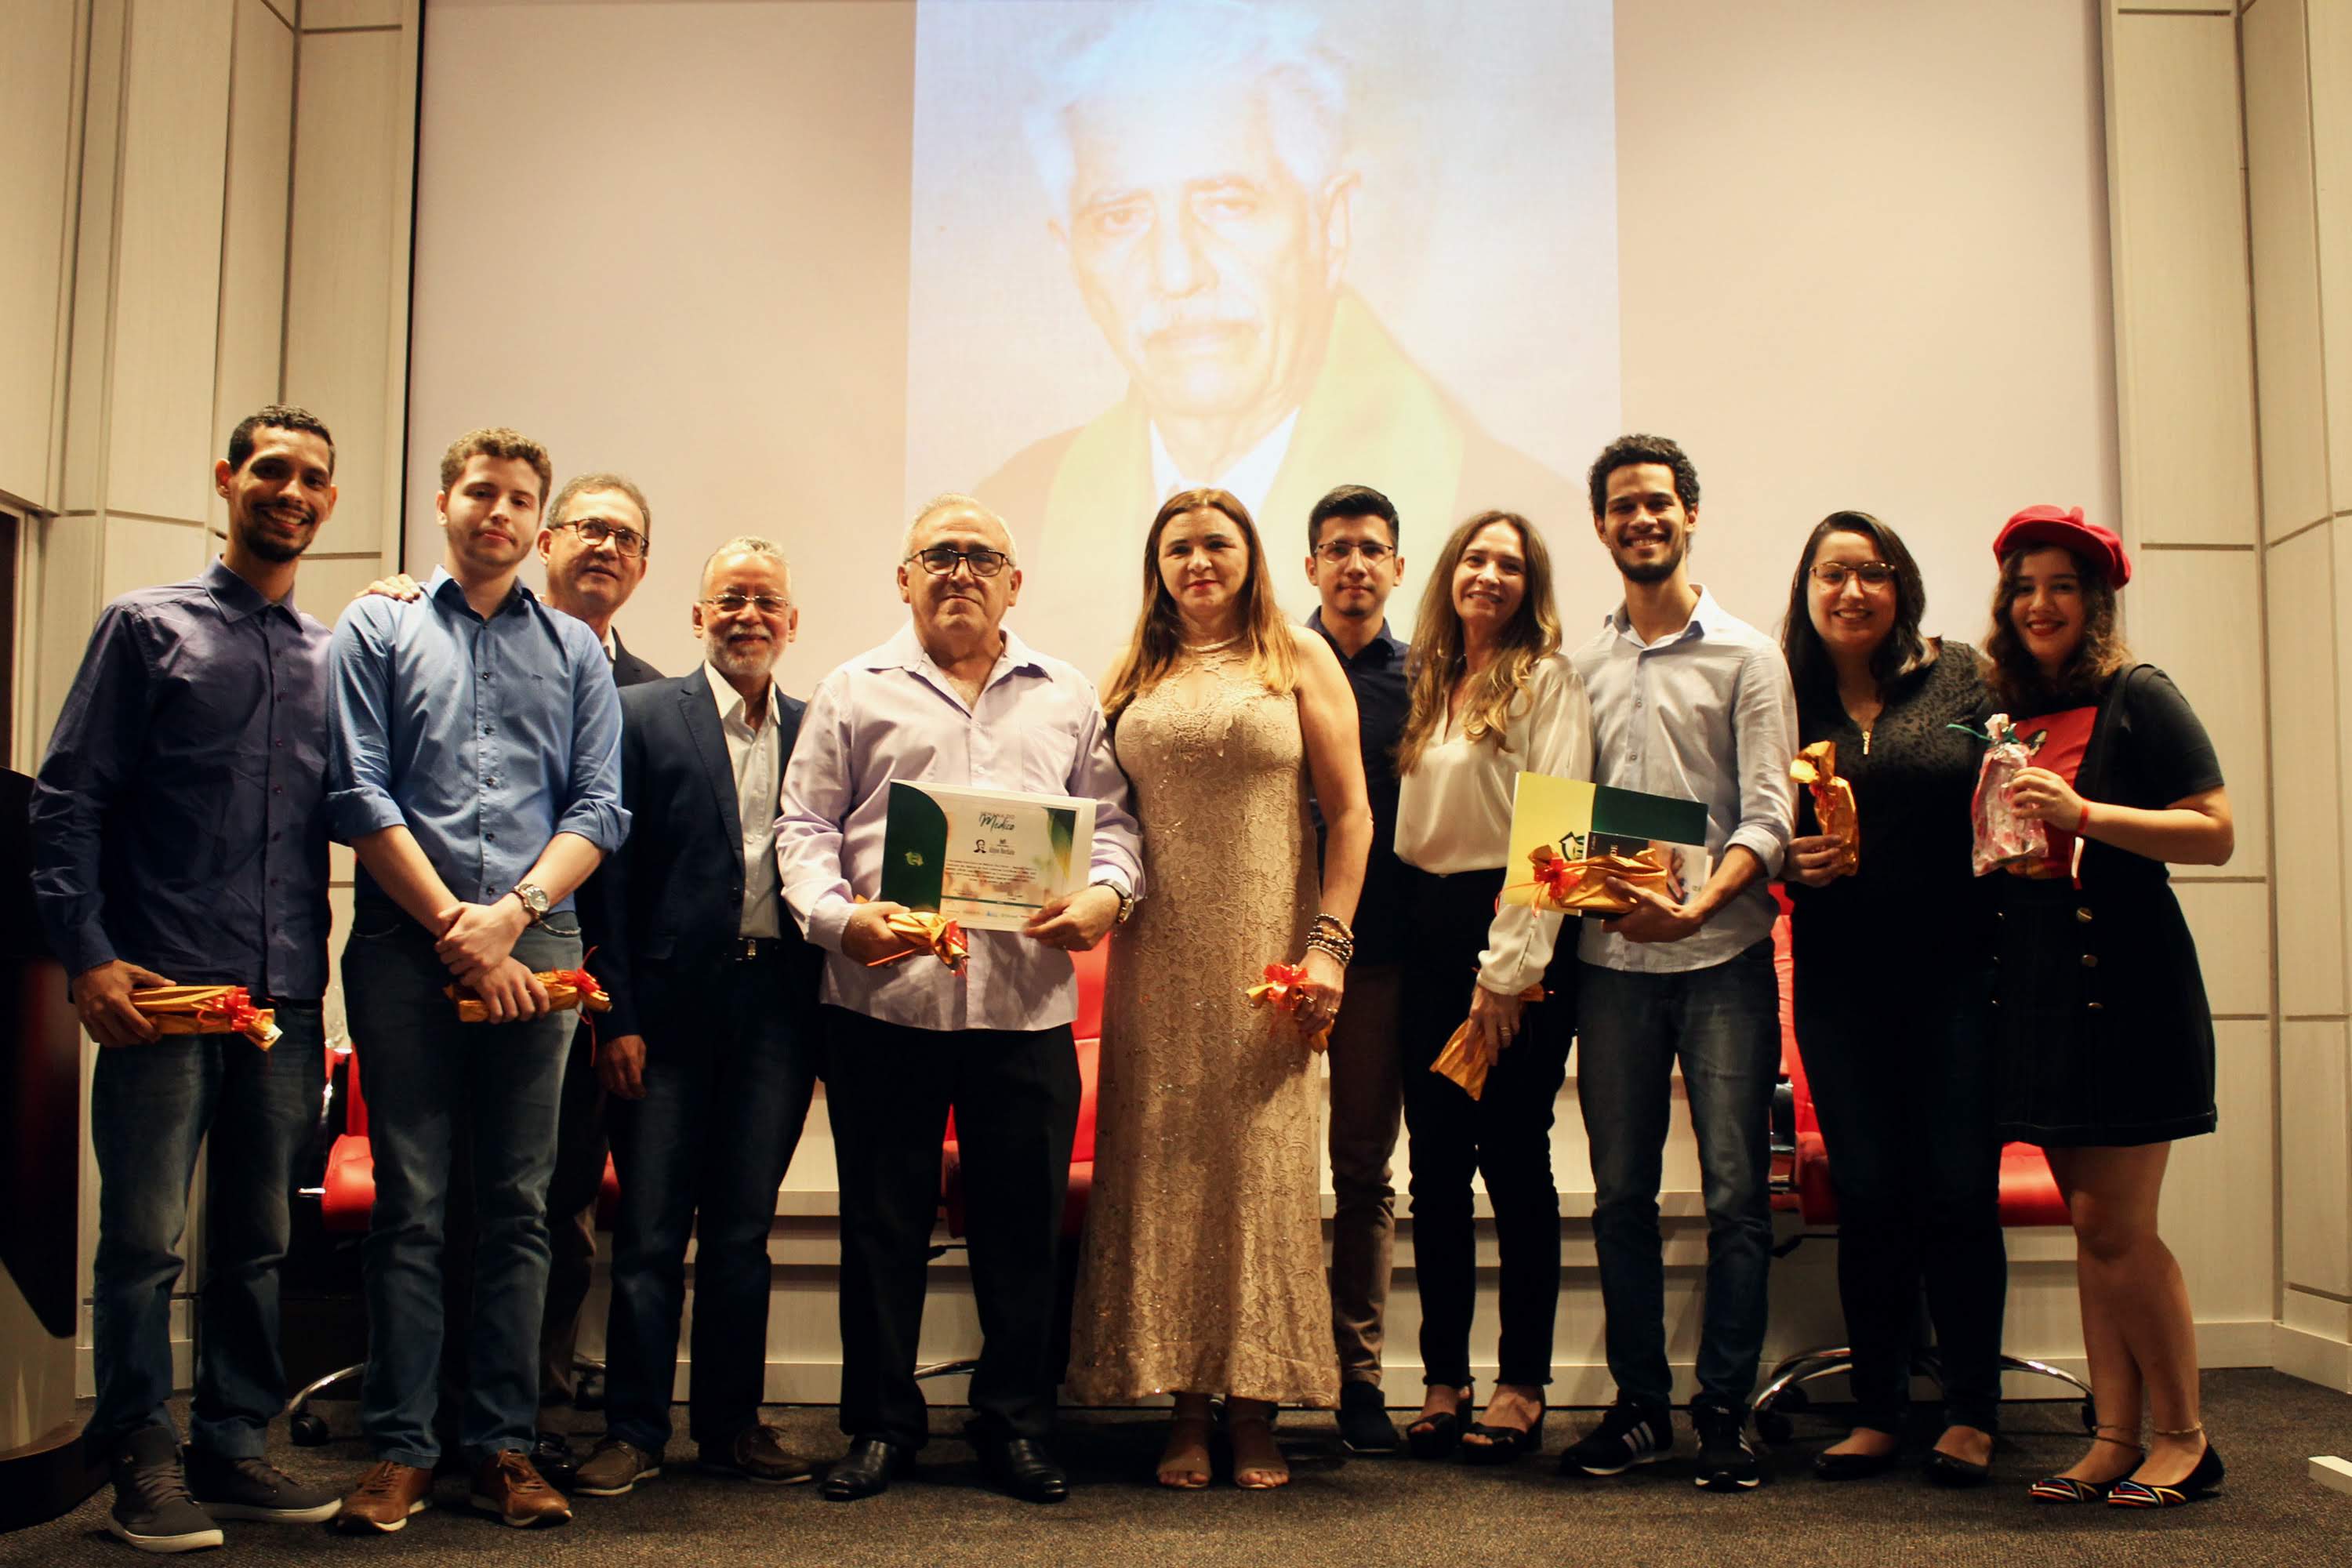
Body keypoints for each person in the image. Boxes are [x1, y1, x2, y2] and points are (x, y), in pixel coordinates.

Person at [977, 0, 1581, 660]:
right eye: (1120, 218)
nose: (1177, 272)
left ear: (1331, 228)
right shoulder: (1012, 519)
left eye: (1227, 205)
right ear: (1069, 253)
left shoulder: (1517, 527)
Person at [777, 495, 1144, 1505]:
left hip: (1026, 1009)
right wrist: (837, 919)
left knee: (1022, 1234)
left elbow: (1115, 825)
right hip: (882, 1001)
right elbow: (804, 828)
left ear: (1014, 583)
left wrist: (1107, 894)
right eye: (938, 553)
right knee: (881, 1227)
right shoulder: (854, 688)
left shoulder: (1067, 694)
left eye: (983, 556)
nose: (960, 570)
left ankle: (1016, 1424)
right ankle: (880, 1425)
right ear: (904, 577)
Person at [31, 407, 348, 1551]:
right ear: (228, 479)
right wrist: (87, 956)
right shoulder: (144, 626)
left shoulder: (333, 658)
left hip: (284, 999)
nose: (291, 491)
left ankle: (230, 1442)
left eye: (313, 478)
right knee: (144, 1241)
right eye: (271, 470)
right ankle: (138, 1459)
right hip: (160, 992)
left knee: (257, 1242)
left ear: (329, 502)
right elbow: (67, 802)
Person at [325, 428, 628, 1531]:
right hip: (405, 947)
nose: (498, 512)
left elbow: (599, 807)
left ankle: (503, 1443)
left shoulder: (576, 649)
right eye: (480, 492)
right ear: (445, 503)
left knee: (518, 1205)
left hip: (537, 948)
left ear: (537, 526)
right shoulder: (379, 623)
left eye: (518, 499)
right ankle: (402, 1447)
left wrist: (510, 918)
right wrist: (458, 923)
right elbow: (357, 790)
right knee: (412, 1203)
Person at [1065, 486, 1371, 1491]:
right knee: (1165, 1175)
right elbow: (1098, 818)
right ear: (1157, 565)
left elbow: (1352, 815)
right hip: (1157, 964)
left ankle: (1255, 1408)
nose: (1198, 561)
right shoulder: (1131, 671)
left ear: (1251, 555)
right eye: (1179, 547)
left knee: (1259, 1177)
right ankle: (1186, 1408)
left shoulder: (1299, 654)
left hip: (1267, 964)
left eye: (1217, 543)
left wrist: (1328, 948)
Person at [1975, 507, 2232, 1508]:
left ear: (2096, 601)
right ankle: (2115, 1434)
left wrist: (2086, 815)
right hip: (2041, 986)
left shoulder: (2140, 694)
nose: (2040, 604)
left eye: (2062, 587)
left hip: (2127, 980)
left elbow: (2214, 831)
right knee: (2093, 1228)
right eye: (2024, 587)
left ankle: (2186, 1437)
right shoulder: (2012, 710)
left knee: (2121, 1227)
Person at [1557, 434, 1796, 1492]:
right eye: (1622, 505)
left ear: (1689, 513)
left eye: (1657, 502)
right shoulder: (1578, 665)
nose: (1641, 519)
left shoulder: (1748, 657)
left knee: (1738, 1195)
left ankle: (1724, 1410)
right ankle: (1642, 1407)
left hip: (1724, 961)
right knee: (1621, 1197)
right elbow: (1565, 819)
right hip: (1611, 967)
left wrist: (1698, 901)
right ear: (1601, 525)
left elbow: (1770, 816)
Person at [570, 537, 824, 1498]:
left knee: (741, 1234)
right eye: (730, 599)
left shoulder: (817, 728)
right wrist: (617, 1016)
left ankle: (730, 1428)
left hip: (777, 1013)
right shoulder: (641, 714)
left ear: (791, 621)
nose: (748, 615)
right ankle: (632, 1430)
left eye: (766, 600)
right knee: (647, 1233)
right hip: (663, 1018)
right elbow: (608, 881)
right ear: (698, 615)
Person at [1777, 512, 2005, 1486]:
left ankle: (1970, 1409)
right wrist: (1788, 859)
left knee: (1957, 1188)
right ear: (1808, 590)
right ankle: (1877, 1408)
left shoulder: (1965, 677)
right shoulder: (1784, 694)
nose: (1852, 590)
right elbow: (1746, 817)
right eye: (1832, 573)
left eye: (1872, 571)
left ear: (1901, 584)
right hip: (1840, 985)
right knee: (1869, 1194)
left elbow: (2015, 785)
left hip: (1958, 977)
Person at [1390, 510, 1592, 1465]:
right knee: (1434, 1168)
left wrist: (1510, 971)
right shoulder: (1431, 683)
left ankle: (1521, 1384)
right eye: (1476, 558)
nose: (1490, 575)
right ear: (1450, 572)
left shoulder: (1549, 679)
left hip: (1514, 934)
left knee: (1513, 1159)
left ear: (1530, 585)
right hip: (1428, 934)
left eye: (1511, 564)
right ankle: (1444, 1380)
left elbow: (1558, 831)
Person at [1301, 484, 1410, 1454]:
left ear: (1398, 568)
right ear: (1310, 567)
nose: (1355, 564)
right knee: (1265, 1166)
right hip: (1269, 951)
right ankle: (1264, 1364)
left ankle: (1358, 1374)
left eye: (1372, 548)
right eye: (1337, 548)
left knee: (1364, 1167)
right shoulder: (1270, 668)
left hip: (1378, 958)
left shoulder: (1423, 681)